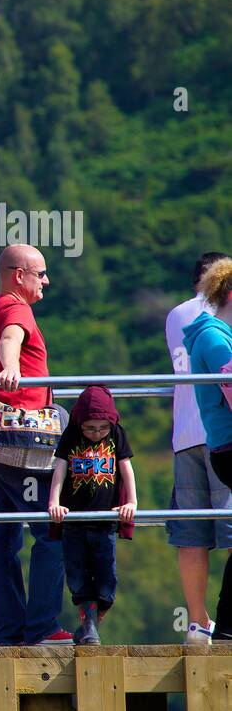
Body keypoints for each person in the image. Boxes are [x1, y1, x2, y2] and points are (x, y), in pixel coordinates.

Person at [0, 244, 71, 646]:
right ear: (18, 275)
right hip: (20, 436)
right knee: (52, 529)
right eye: (40, 273)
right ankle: (43, 626)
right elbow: (11, 338)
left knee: (3, 537)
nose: (45, 280)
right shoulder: (16, 309)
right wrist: (10, 365)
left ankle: (10, 632)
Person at [165, 252, 232, 644]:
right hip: (222, 432)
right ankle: (227, 623)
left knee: (192, 533)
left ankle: (196, 621)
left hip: (184, 435)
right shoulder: (218, 324)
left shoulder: (177, 316)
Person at [48, 387, 136, 645]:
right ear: (79, 423)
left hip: (104, 521)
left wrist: (131, 501)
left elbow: (126, 469)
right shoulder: (72, 435)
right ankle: (89, 627)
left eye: (102, 429)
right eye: (90, 428)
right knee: (77, 575)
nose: (97, 434)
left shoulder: (117, 435)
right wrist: (54, 502)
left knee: (107, 581)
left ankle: (89, 626)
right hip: (75, 521)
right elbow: (60, 470)